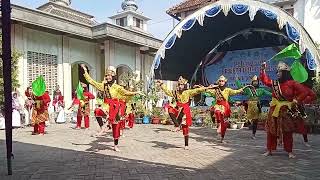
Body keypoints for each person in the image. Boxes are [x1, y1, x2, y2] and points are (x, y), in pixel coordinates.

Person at [260, 61, 316, 158]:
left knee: (287, 131)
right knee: (271, 131)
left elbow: (304, 92)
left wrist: (296, 100)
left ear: (285, 73)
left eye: (279, 72)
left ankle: (289, 151)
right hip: (274, 111)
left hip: (286, 111)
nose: (277, 74)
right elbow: (266, 81)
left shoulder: (292, 83)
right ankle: (269, 150)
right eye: (277, 72)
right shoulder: (275, 84)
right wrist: (263, 70)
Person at [81, 65, 142, 152]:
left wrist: (136, 92)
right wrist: (85, 70)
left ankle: (115, 145)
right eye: (106, 76)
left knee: (116, 127)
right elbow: (91, 81)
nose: (108, 77)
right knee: (97, 111)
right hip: (106, 106)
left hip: (115, 108)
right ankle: (103, 127)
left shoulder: (117, 87)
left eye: (109, 76)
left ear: (113, 77)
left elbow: (126, 93)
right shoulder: (103, 85)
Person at [156, 76, 214, 150]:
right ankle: (177, 125)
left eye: (182, 85)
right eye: (179, 85)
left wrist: (207, 88)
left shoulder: (188, 92)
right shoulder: (175, 92)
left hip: (185, 110)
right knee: (170, 108)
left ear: (184, 85)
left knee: (185, 128)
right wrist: (161, 84)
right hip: (177, 108)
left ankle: (186, 144)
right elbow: (167, 91)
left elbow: (198, 90)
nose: (180, 86)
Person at [205, 75, 247, 143]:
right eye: (220, 81)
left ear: (225, 82)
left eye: (222, 81)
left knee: (225, 123)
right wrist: (204, 88)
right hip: (218, 105)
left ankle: (222, 138)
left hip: (226, 107)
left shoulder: (228, 90)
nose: (221, 82)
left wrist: (241, 90)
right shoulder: (215, 90)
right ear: (218, 82)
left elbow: (235, 91)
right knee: (217, 112)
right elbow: (207, 91)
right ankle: (219, 126)